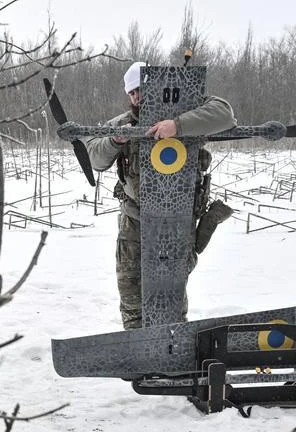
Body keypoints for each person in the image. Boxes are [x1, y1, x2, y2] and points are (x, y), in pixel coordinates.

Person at [85, 61, 236, 329]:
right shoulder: (123, 124)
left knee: (171, 295)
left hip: (176, 223)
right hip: (135, 222)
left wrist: (177, 125)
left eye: (140, 90)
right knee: (132, 296)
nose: (136, 97)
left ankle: (173, 351)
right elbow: (95, 159)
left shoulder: (189, 111)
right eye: (131, 93)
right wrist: (115, 140)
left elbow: (225, 115)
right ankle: (137, 354)